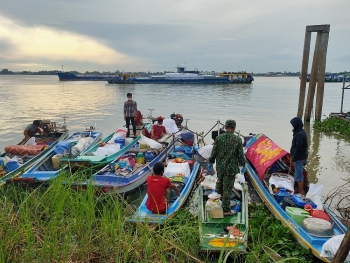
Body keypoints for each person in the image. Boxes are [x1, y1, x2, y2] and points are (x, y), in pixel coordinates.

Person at [208, 119, 245, 216]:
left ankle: (218, 201)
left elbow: (214, 152)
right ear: (234, 128)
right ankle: (226, 210)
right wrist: (243, 165)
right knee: (227, 189)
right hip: (231, 168)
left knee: (220, 183)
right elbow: (240, 155)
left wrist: (211, 162)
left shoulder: (219, 138)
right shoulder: (237, 139)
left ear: (225, 127)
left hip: (220, 167)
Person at [290, 117, 308, 197]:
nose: (292, 127)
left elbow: (299, 148)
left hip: (299, 158)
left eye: (293, 125)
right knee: (298, 173)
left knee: (298, 175)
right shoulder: (300, 132)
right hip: (301, 157)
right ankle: (298, 189)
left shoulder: (300, 134)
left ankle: (301, 192)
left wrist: (293, 158)